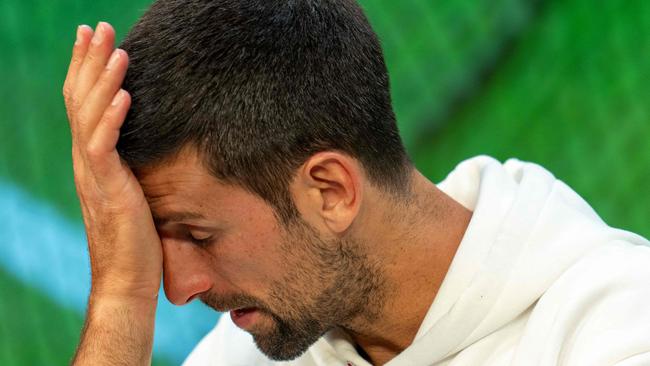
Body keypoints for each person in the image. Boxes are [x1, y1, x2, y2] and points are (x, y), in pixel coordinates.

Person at [62, 0, 650, 365]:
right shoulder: (260, 343)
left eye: (197, 233)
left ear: (330, 191)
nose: (179, 288)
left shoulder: (617, 330)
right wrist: (121, 299)